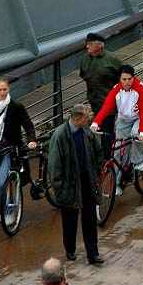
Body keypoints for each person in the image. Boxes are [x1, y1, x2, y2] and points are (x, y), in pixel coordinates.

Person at [48, 104, 104, 265]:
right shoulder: (60, 135)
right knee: (70, 220)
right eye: (87, 118)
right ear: (78, 118)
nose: (89, 120)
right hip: (69, 185)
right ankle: (70, 249)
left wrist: (98, 171)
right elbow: (54, 165)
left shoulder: (86, 132)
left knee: (90, 219)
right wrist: (59, 188)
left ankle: (93, 253)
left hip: (86, 182)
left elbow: (97, 151)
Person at [91, 64, 143, 196]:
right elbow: (106, 106)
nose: (127, 82)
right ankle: (116, 184)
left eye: (129, 79)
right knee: (118, 151)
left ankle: (140, 163)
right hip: (125, 119)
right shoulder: (116, 90)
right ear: (119, 79)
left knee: (135, 135)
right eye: (124, 79)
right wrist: (96, 122)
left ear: (133, 78)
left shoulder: (141, 90)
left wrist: (142, 132)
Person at [0, 78, 38, 223]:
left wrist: (31, 140)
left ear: (9, 89)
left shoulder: (16, 106)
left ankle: (10, 210)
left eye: (4, 89)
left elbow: (28, 124)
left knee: (2, 182)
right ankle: (6, 207)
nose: (2, 92)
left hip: (9, 149)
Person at [78, 32, 123, 154]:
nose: (87, 47)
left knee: (107, 130)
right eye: (87, 44)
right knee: (102, 130)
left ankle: (110, 157)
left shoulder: (112, 60)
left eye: (90, 44)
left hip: (110, 103)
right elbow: (84, 75)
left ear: (99, 46)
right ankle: (108, 156)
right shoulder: (85, 60)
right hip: (95, 102)